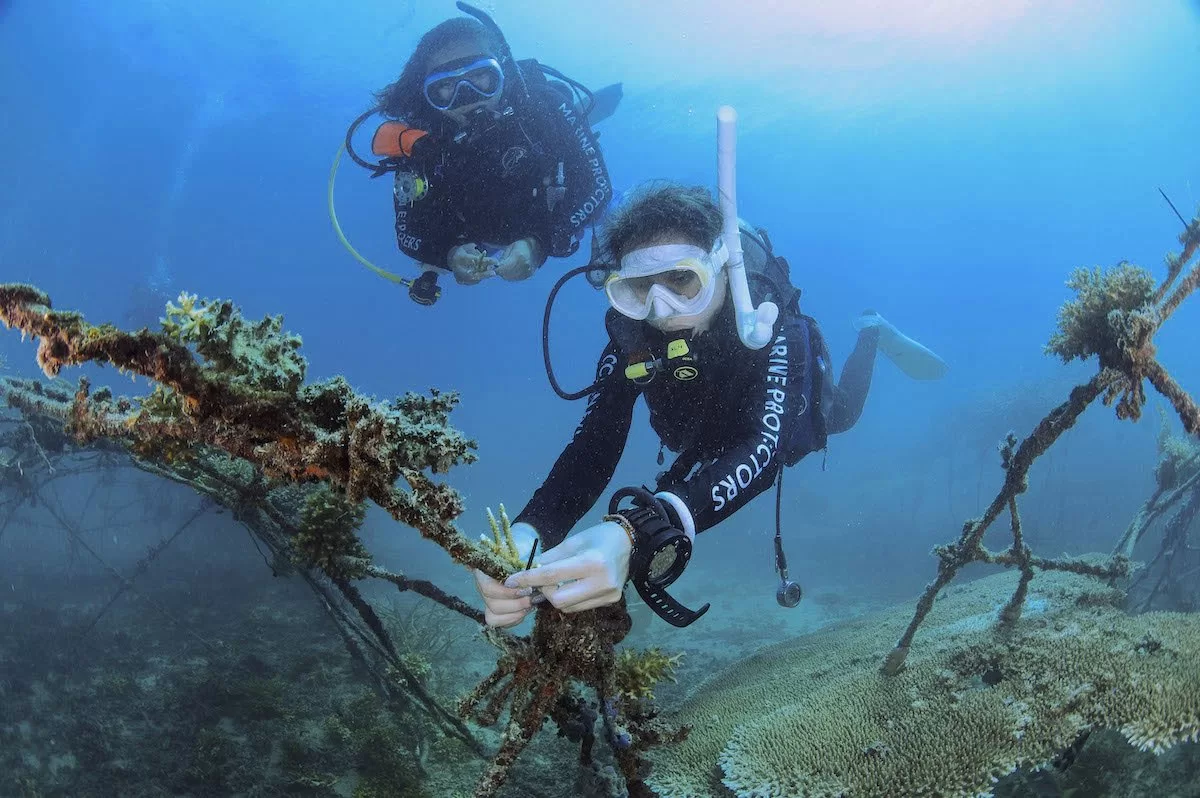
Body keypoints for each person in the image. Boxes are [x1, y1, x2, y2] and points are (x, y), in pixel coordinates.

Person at [473, 182, 947, 628]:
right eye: (640, 287)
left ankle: (872, 333)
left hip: (777, 417)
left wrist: (635, 531)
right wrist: (529, 533)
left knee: (842, 416)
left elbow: (764, 447)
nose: (661, 309)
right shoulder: (633, 336)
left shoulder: (769, 325)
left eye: (682, 280)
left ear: (724, 269)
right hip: (698, 433)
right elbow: (595, 443)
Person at [356, 4, 619, 301]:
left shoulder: (545, 107)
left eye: (481, 76)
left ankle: (580, 119)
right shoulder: (421, 140)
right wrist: (450, 255)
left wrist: (539, 243)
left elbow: (597, 188)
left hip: (551, 214)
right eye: (444, 87)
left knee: (611, 208)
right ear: (428, 95)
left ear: (503, 71)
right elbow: (408, 231)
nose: (467, 96)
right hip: (478, 235)